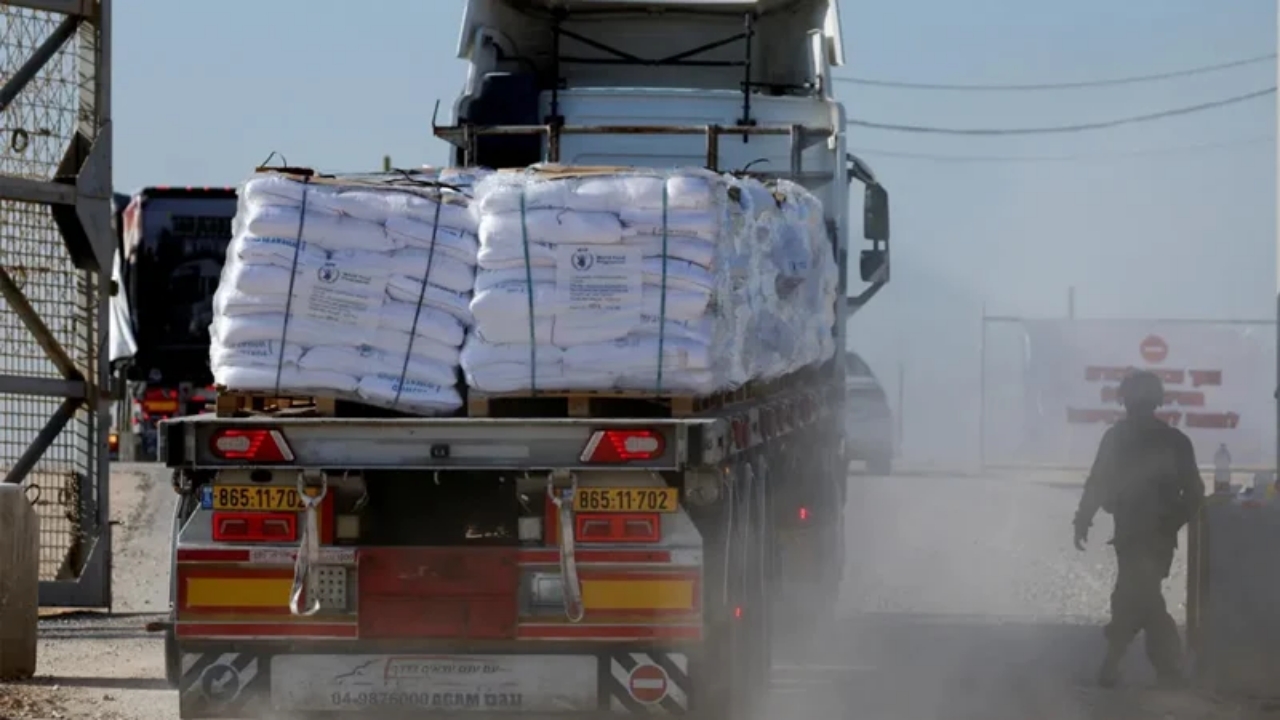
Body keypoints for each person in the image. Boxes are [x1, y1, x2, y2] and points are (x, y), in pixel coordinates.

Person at [1073, 369, 1205, 688]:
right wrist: (1084, 516)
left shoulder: (1129, 438)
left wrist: (1084, 517)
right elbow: (1099, 482)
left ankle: (1131, 663)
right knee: (1139, 597)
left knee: (1134, 596)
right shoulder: (1169, 441)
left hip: (1148, 536)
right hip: (1138, 535)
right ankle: (1163, 667)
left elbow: (1194, 494)